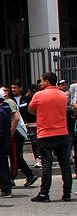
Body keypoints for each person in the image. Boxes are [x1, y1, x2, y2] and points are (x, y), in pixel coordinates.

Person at [28, 72, 72, 202]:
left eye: (41, 81)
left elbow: (31, 110)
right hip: (62, 133)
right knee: (65, 165)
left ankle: (44, 194)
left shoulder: (39, 95)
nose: (40, 84)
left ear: (46, 81)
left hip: (45, 134)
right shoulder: (63, 95)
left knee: (47, 165)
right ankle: (67, 193)